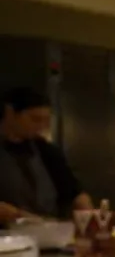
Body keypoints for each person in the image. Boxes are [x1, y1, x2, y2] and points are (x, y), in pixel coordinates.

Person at [0, 87, 91, 225]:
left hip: (49, 229)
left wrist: (89, 216)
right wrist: (16, 215)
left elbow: (74, 192)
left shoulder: (46, 150)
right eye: (35, 119)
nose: (41, 126)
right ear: (10, 113)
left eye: (46, 120)